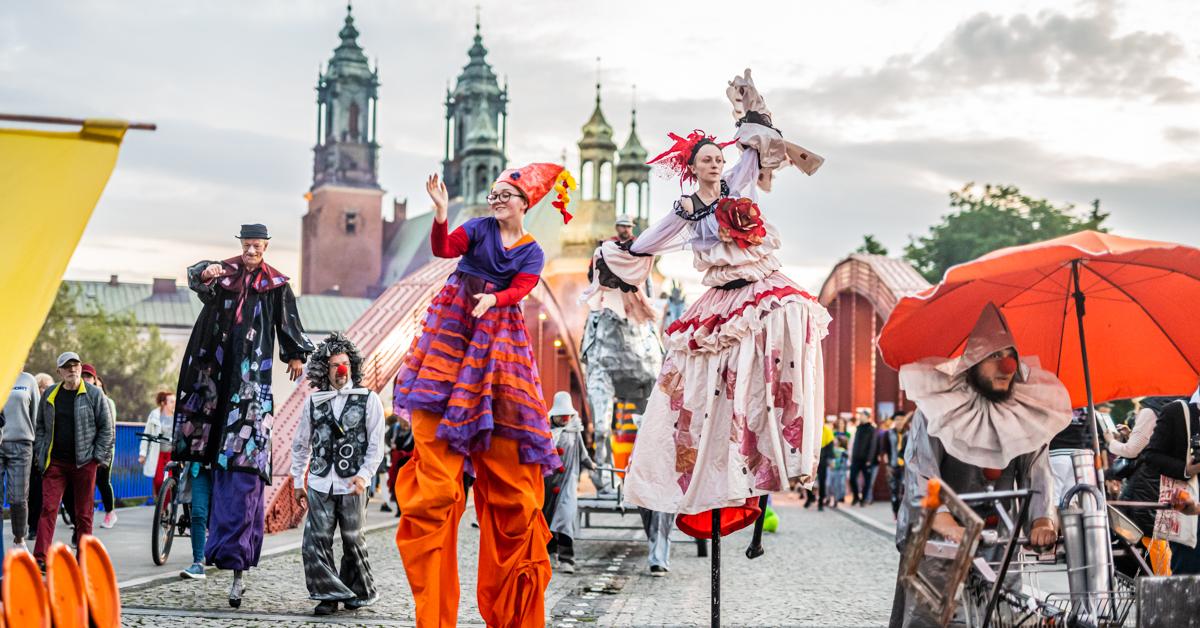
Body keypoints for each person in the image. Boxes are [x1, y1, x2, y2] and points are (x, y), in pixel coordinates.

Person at [608, 72, 830, 539]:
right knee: (705, 371)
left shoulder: (734, 183)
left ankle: (776, 432)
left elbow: (752, 151)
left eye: (717, 158)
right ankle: (718, 454)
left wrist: (751, 112)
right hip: (722, 294)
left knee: (794, 308)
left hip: (758, 281)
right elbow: (655, 238)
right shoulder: (687, 207)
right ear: (694, 167)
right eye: (707, 160)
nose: (715, 164)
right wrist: (624, 253)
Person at [392, 164, 574, 627]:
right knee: (436, 485)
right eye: (493, 192)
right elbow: (441, 248)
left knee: (514, 491)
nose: (496, 199)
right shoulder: (476, 229)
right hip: (454, 333)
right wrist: (439, 213)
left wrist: (496, 299)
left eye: (504, 193)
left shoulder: (532, 251)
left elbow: (524, 287)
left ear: (523, 202)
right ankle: (433, 618)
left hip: (499, 344)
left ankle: (514, 614)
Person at [889, 303, 1070, 627]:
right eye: (995, 357)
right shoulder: (936, 410)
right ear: (973, 362)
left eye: (1011, 356)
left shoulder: (1025, 414)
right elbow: (921, 475)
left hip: (999, 542)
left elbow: (1038, 471)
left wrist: (1043, 519)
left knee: (999, 617)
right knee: (932, 619)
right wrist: (946, 523)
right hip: (940, 544)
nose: (1008, 366)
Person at [171, 223, 315, 607]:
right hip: (213, 371)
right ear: (241, 245)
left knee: (241, 461)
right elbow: (198, 279)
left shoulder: (276, 284)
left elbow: (288, 321)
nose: (251, 250)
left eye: (257, 245)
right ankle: (205, 551)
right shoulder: (226, 273)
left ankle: (233, 563)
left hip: (249, 379)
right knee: (205, 441)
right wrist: (206, 273)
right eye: (247, 244)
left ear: (266, 247)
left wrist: (295, 354)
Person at [291, 333, 385, 616]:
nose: (340, 370)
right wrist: (298, 481)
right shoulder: (313, 402)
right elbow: (299, 445)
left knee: (353, 539)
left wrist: (365, 477)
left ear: (352, 366)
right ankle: (328, 595)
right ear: (325, 369)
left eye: (344, 363)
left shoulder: (370, 400)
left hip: (352, 483)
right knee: (315, 538)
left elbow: (376, 445)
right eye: (334, 365)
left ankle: (357, 590)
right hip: (321, 481)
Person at [580, 214, 661, 495]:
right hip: (606, 308)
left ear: (631, 228)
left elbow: (648, 288)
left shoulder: (640, 248)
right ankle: (602, 472)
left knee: (653, 331)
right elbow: (593, 281)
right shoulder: (605, 248)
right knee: (593, 317)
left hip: (636, 305)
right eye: (621, 226)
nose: (624, 229)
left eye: (627, 226)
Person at [32, 352, 114, 565]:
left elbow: (107, 428)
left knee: (83, 513)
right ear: (59, 371)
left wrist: (97, 458)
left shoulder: (95, 394)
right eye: (67, 366)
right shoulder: (50, 394)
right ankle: (40, 558)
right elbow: (40, 426)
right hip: (55, 463)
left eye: (75, 365)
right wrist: (41, 454)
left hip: (85, 463)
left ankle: (84, 559)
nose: (72, 369)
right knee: (48, 508)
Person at [1137, 384, 1200, 575]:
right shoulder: (1176, 412)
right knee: (1189, 578)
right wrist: (1186, 469)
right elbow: (1151, 455)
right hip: (1187, 511)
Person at [542, 392, 595, 575]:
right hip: (548, 484)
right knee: (547, 519)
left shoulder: (575, 431)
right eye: (561, 415)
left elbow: (582, 452)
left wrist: (590, 464)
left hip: (568, 483)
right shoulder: (546, 431)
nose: (565, 419)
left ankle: (567, 559)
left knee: (565, 518)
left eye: (568, 415)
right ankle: (551, 553)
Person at [2, 371, 39, 550]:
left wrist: (36, 444)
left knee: (18, 499)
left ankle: (19, 539)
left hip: (22, 444)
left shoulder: (28, 380)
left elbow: (36, 416)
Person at [79, 365, 118, 528]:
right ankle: (81, 516)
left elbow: (110, 428)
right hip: (84, 449)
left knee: (102, 481)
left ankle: (110, 513)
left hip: (103, 448)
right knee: (83, 483)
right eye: (84, 376)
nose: (86, 379)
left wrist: (105, 453)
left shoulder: (105, 400)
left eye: (89, 376)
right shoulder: (78, 397)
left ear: (95, 379)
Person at [139, 391, 176, 502]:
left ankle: (163, 510)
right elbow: (147, 434)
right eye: (171, 401)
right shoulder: (154, 415)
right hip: (158, 453)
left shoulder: (177, 415)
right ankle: (160, 505)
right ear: (163, 403)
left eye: (175, 401)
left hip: (171, 454)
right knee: (159, 481)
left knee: (169, 481)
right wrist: (142, 453)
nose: (174, 404)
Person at [384, 414, 413, 517]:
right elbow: (386, 437)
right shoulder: (395, 427)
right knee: (396, 486)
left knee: (408, 488)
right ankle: (399, 509)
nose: (405, 424)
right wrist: (391, 445)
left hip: (410, 464)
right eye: (402, 421)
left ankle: (407, 508)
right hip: (396, 463)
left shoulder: (414, 428)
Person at [849, 410, 878, 507]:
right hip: (856, 459)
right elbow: (854, 444)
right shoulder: (858, 428)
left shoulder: (872, 429)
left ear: (867, 417)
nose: (860, 417)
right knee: (852, 478)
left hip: (866, 460)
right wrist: (852, 457)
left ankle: (863, 499)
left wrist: (869, 459)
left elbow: (873, 445)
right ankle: (856, 496)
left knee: (867, 481)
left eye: (862, 415)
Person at [886, 413, 910, 520]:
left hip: (905, 467)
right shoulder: (889, 434)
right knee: (894, 490)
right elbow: (885, 449)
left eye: (901, 419)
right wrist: (887, 465)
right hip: (893, 464)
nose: (899, 422)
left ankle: (902, 513)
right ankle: (895, 511)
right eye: (897, 420)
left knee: (903, 489)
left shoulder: (909, 433)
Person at [826, 435, 850, 508]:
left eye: (836, 440)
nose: (834, 441)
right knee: (828, 484)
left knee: (836, 486)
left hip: (838, 470)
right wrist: (829, 464)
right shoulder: (831, 449)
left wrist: (842, 468)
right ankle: (828, 498)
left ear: (839, 442)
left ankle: (835, 500)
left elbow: (846, 461)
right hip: (830, 469)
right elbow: (828, 457)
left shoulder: (843, 451)